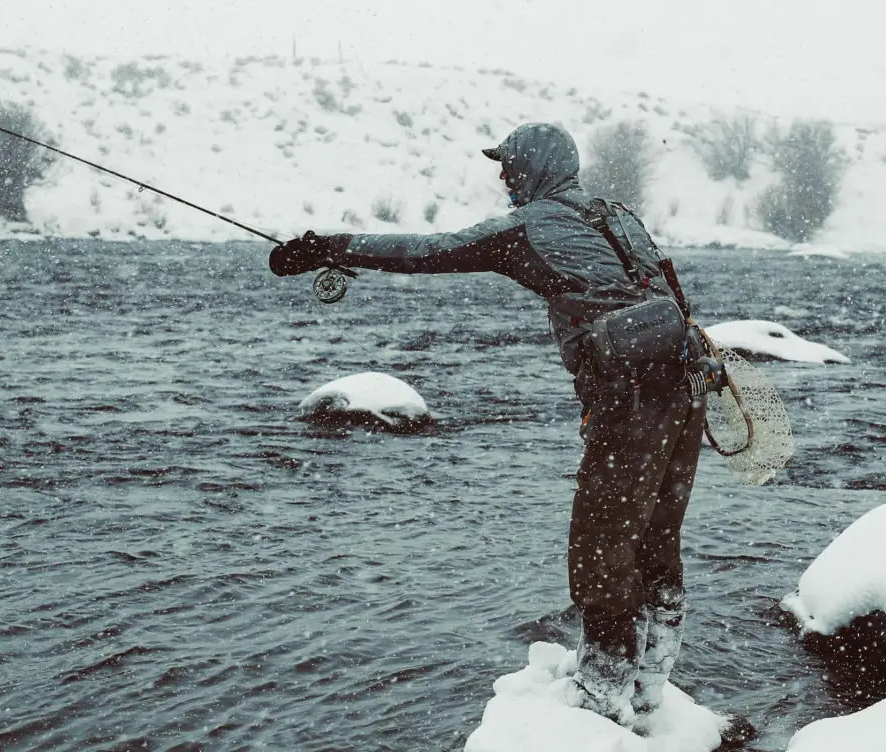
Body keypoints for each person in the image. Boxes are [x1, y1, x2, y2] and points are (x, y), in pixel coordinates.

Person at [269, 122, 753, 742]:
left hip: (630, 400)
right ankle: (651, 686)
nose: (503, 178)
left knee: (601, 544)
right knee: (657, 540)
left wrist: (329, 247)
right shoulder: (620, 215)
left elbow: (428, 252)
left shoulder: (527, 227)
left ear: (534, 167)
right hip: (684, 388)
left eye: (509, 166)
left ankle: (602, 692)